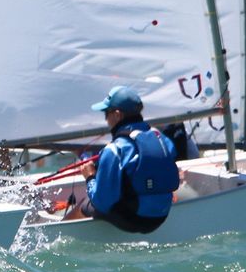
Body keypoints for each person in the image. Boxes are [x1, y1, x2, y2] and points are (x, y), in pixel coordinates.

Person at [65, 86, 181, 234]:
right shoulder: (162, 139)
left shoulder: (114, 150)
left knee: (85, 203)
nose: (106, 119)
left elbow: (101, 202)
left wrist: (90, 177)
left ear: (117, 115)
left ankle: (61, 233)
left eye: (106, 113)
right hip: (162, 215)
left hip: (134, 220)